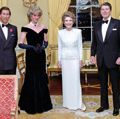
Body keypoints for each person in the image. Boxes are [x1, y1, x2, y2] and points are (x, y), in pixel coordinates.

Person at [18, 5, 52, 114]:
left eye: (38, 15)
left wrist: (43, 47)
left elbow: (46, 42)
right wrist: (32, 47)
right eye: (34, 15)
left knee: (41, 77)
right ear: (30, 16)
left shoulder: (44, 27)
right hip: (31, 56)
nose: (36, 17)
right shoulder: (25, 27)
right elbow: (21, 43)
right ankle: (29, 105)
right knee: (31, 77)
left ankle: (43, 104)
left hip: (40, 55)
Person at [90, 2, 120, 116]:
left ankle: (117, 107)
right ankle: (104, 105)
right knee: (102, 85)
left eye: (107, 9)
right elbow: (94, 43)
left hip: (114, 60)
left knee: (116, 85)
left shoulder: (118, 23)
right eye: (102, 9)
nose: (105, 11)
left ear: (110, 10)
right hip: (101, 60)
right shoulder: (96, 24)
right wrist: (92, 55)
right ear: (100, 11)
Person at [58, 11, 86, 111]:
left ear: (73, 21)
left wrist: (81, 59)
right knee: (66, 81)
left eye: (70, 20)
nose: (68, 22)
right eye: (66, 20)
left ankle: (77, 103)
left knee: (75, 81)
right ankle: (67, 102)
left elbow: (80, 47)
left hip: (75, 59)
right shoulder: (60, 32)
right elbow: (60, 47)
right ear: (63, 22)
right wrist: (59, 60)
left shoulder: (78, 32)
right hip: (65, 60)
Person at [0, 6, 18, 74]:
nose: (5, 16)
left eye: (7, 14)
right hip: (0, 63)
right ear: (0, 15)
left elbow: (14, 44)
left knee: (11, 83)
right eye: (4, 14)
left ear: (9, 16)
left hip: (11, 63)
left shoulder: (14, 29)